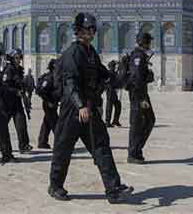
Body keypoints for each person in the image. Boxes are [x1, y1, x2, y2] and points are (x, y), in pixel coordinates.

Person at [48, 13, 133, 204]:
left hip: (90, 107)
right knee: (63, 148)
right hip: (73, 109)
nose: (91, 33)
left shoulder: (91, 53)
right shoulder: (73, 53)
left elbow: (106, 76)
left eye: (93, 30)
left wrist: (124, 70)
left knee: (101, 147)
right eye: (87, 29)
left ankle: (113, 189)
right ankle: (55, 185)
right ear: (78, 31)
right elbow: (69, 81)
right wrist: (79, 105)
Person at [0, 48, 33, 154]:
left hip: (17, 102)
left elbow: (20, 84)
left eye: (20, 57)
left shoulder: (19, 70)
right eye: (16, 57)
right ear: (12, 58)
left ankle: (24, 145)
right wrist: (16, 91)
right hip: (6, 103)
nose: (19, 60)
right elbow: (4, 87)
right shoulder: (8, 70)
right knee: (2, 125)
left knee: (21, 123)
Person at [127, 32, 156, 164]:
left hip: (141, 93)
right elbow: (136, 77)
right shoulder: (138, 56)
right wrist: (142, 98)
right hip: (138, 95)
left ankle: (137, 150)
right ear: (144, 42)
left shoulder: (141, 55)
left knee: (148, 120)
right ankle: (133, 153)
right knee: (137, 123)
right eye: (148, 41)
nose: (150, 44)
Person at [36, 59, 59, 149]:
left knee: (47, 122)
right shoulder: (49, 77)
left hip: (53, 104)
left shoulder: (56, 76)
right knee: (56, 124)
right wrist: (48, 101)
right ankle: (60, 143)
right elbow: (40, 91)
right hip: (48, 104)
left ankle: (42, 142)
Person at [105, 60, 122, 128]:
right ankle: (108, 122)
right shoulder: (110, 73)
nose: (115, 67)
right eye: (114, 66)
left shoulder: (112, 73)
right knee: (110, 106)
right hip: (110, 91)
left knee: (117, 105)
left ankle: (115, 121)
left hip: (113, 92)